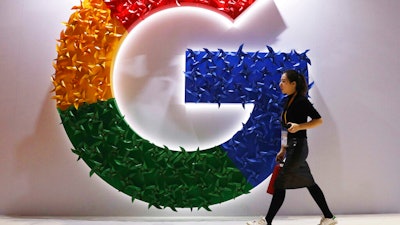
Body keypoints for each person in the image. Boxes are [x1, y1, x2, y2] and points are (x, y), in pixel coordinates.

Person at [246, 70, 337, 225]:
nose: (280, 84)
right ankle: (329, 217)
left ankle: (266, 221)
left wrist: (300, 126)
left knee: (280, 184)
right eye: (281, 81)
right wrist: (283, 149)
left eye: (283, 81)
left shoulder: (302, 101)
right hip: (292, 148)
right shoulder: (287, 101)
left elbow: (318, 120)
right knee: (310, 183)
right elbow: (284, 128)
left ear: (293, 84)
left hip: (299, 147)